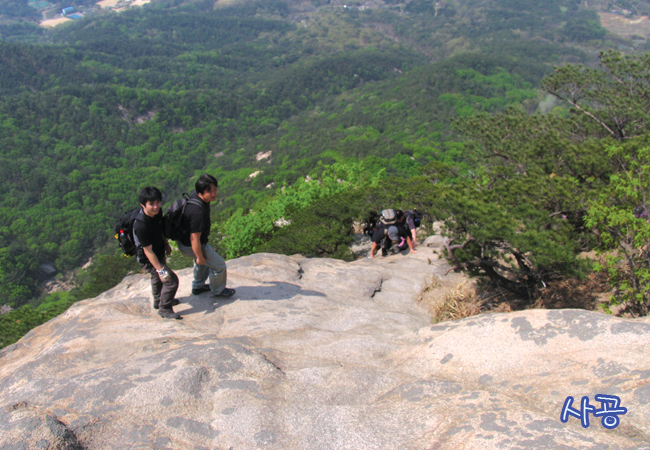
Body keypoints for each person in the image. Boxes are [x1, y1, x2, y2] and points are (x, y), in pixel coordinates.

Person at [176, 174, 236, 298]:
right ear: (200, 192)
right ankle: (218, 290)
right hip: (190, 244)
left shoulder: (197, 196)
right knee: (218, 265)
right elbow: (195, 238)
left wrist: (200, 258)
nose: (214, 194)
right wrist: (198, 256)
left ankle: (198, 286)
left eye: (215, 190)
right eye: (209, 191)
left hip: (184, 241)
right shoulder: (197, 212)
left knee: (202, 261)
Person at [133, 186, 181, 319]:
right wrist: (161, 270)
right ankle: (164, 308)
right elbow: (147, 251)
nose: (156, 206)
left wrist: (166, 244)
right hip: (148, 257)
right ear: (143, 205)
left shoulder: (156, 213)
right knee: (171, 280)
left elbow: (159, 230)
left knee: (156, 278)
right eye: (151, 204)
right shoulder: (141, 225)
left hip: (158, 251)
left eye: (157, 202)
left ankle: (159, 301)